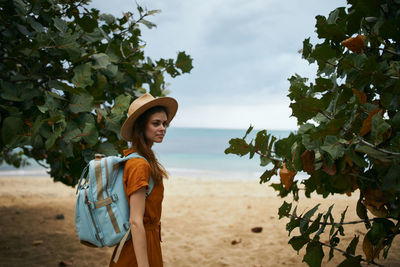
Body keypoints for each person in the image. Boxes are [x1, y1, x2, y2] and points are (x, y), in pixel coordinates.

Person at [110, 93, 178, 267]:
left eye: (164, 123)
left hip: (148, 240)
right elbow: (135, 220)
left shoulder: (143, 159)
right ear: (141, 126)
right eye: (156, 123)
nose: (162, 128)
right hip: (137, 247)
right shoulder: (139, 164)